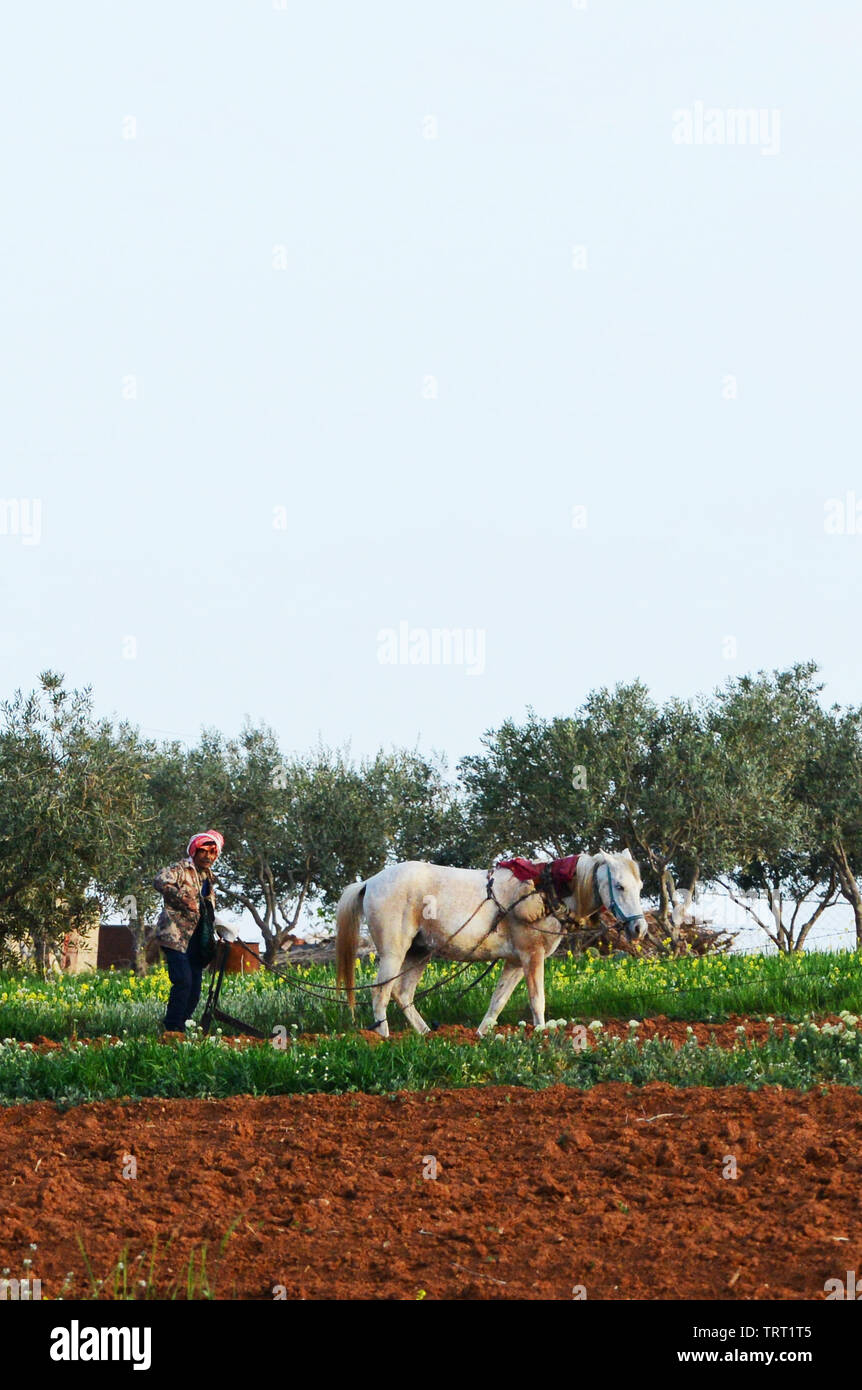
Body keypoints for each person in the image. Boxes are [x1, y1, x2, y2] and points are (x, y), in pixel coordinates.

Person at [152, 830, 234, 1034]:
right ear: (194, 851)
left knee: (195, 988)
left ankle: (182, 1026)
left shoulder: (208, 877)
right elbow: (160, 881)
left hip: (197, 940)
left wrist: (220, 929)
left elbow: (206, 910)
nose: (208, 856)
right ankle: (172, 1029)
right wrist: (182, 898)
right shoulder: (181, 868)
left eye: (212, 853)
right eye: (203, 851)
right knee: (183, 981)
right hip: (175, 936)